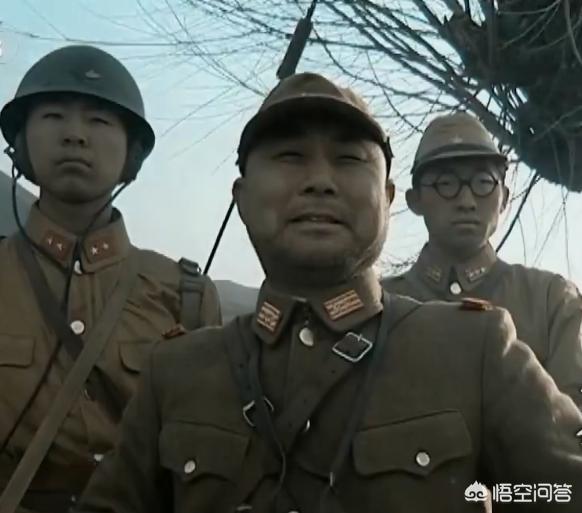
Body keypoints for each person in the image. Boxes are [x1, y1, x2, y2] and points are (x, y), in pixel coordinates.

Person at [76, 73, 582, 513]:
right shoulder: (176, 372)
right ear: (241, 199)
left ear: (387, 199)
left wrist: (486, 498)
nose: (320, 180)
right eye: (289, 157)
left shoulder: (475, 349)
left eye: (348, 159)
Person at [0, 45, 221, 513]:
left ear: (132, 155)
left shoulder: (185, 294)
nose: (75, 135)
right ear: (20, 143)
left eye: (99, 121)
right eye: (53, 116)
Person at [382, 112, 582, 409]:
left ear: (505, 198)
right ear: (414, 200)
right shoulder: (379, 305)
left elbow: (573, 422)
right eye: (445, 183)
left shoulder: (550, 300)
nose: (466, 201)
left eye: (483, 182)